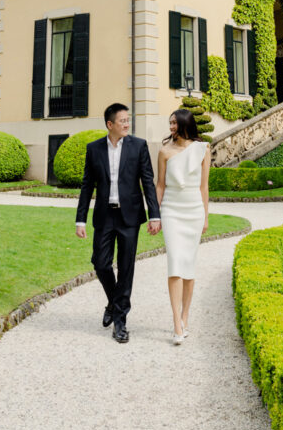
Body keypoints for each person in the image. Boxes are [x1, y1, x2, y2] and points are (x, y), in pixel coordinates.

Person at [75, 103, 161, 344]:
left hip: (130, 216)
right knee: (100, 263)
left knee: (126, 267)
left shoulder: (139, 146)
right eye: (122, 120)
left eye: (128, 119)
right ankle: (114, 302)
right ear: (109, 124)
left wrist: (154, 214)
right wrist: (80, 218)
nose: (127, 124)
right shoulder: (94, 149)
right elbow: (87, 186)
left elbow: (147, 180)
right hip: (104, 215)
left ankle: (120, 321)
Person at [155, 107, 210, 345]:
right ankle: (177, 321)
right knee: (175, 263)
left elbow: (204, 187)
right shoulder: (164, 152)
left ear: (185, 124)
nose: (171, 128)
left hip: (194, 211)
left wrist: (206, 217)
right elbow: (160, 185)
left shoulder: (203, 149)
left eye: (174, 123)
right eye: (170, 123)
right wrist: (155, 215)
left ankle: (186, 314)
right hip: (171, 211)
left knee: (189, 266)